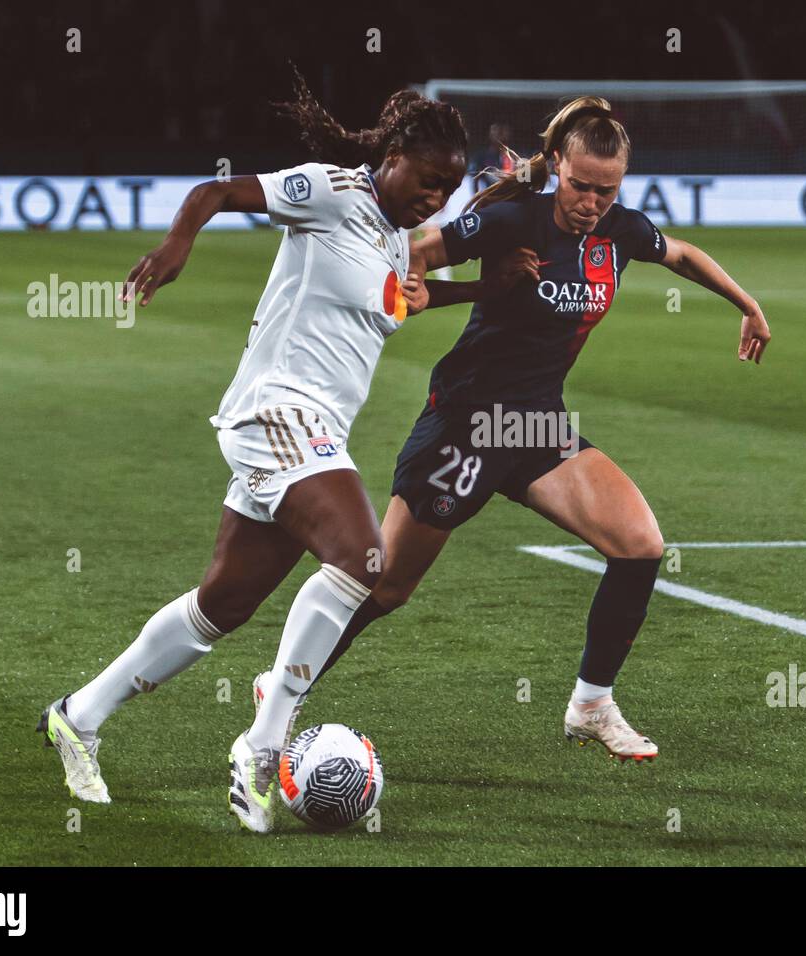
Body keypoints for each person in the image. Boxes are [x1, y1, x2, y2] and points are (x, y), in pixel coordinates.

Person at [281, 95, 771, 763]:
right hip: (466, 424)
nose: (593, 201)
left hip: (536, 424)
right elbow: (420, 250)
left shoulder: (621, 231)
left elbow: (679, 253)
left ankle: (592, 705)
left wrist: (746, 304)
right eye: (581, 185)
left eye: (608, 189)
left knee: (639, 545)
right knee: (387, 586)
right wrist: (411, 288)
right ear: (558, 168)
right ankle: (283, 690)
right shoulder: (514, 219)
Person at [37, 78, 467, 833]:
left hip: (314, 429)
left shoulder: (396, 239)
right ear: (394, 158)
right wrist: (177, 244)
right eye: (431, 181)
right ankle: (264, 745)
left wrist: (474, 290)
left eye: (451, 190)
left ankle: (79, 714)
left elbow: (391, 303)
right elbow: (217, 191)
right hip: (277, 412)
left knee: (220, 608)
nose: (438, 199)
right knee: (365, 561)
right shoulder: (332, 191)